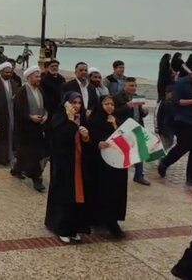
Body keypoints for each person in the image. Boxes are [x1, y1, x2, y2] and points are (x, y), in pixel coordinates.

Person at [44, 93, 91, 244]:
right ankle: (61, 227)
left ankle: (74, 228)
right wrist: (70, 122)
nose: (77, 106)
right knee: (64, 195)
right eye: (73, 103)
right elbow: (61, 139)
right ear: (66, 104)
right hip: (63, 164)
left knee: (77, 196)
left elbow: (88, 142)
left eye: (79, 103)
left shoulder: (81, 118)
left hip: (78, 163)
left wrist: (85, 137)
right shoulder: (60, 118)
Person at [85, 96, 127, 239]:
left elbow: (124, 139)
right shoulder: (94, 121)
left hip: (115, 164)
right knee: (102, 191)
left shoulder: (115, 120)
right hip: (99, 164)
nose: (109, 107)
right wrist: (97, 144)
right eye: (106, 104)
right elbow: (88, 140)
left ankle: (110, 219)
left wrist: (115, 125)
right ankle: (106, 221)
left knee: (114, 192)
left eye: (112, 104)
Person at [158, 64, 192, 187]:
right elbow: (177, 102)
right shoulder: (181, 83)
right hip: (184, 120)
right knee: (184, 146)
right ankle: (165, 162)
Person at [12, 66, 48, 192]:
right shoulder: (22, 91)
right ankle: (37, 179)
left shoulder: (40, 90)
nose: (39, 79)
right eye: (36, 76)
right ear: (29, 77)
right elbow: (18, 110)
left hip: (38, 128)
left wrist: (45, 116)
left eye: (39, 76)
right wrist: (30, 117)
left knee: (31, 153)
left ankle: (16, 169)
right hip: (25, 130)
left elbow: (45, 107)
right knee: (33, 155)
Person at [112, 77, 150, 186]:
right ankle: (118, 175)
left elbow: (139, 113)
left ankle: (139, 176)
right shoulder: (117, 97)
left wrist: (144, 112)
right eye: (131, 85)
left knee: (140, 151)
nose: (134, 88)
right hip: (124, 128)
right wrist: (127, 106)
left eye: (135, 86)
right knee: (122, 152)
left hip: (137, 127)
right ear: (125, 86)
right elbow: (115, 112)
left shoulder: (137, 97)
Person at [156, 85, 176, 149]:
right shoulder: (162, 103)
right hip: (163, 128)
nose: (173, 96)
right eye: (172, 94)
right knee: (164, 146)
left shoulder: (173, 103)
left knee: (170, 143)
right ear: (166, 93)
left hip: (171, 128)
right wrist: (157, 128)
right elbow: (157, 116)